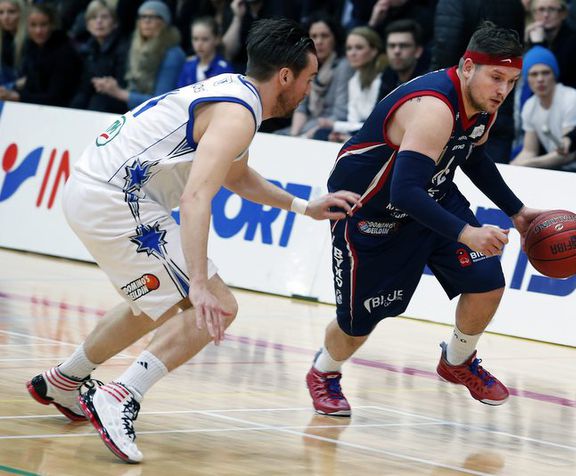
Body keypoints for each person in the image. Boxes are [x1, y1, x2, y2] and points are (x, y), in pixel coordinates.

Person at [25, 18, 360, 463]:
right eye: (308, 78)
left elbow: (236, 176)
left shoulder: (235, 94)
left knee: (153, 303)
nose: (308, 89)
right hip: (116, 198)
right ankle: (120, 395)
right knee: (215, 305)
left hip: (93, 189)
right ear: (285, 75)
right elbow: (196, 197)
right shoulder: (239, 114)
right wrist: (199, 284)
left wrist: (303, 206)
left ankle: (66, 380)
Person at [305, 21, 543, 417]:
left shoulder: (483, 104)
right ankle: (324, 372)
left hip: (432, 195)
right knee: (358, 324)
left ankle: (458, 360)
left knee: (487, 282)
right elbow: (403, 192)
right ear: (468, 67)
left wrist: (516, 210)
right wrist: (465, 232)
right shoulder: (434, 107)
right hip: (371, 212)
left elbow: (472, 156)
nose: (503, 90)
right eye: (496, 78)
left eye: (511, 81)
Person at [430, 0, 526, 164]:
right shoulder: (514, 3)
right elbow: (516, 51)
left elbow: (445, 49)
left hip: (460, 96)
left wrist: (436, 89)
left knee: (448, 166)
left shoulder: (453, 3)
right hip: (496, 102)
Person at [512, 46, 576, 173]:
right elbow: (529, 151)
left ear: (554, 75)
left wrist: (526, 164)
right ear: (527, 78)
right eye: (534, 74)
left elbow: (569, 155)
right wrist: (511, 167)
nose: (540, 79)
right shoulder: (529, 106)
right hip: (559, 168)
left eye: (545, 73)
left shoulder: (571, 99)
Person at [92, 1, 185, 110]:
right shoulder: (134, 47)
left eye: (153, 17)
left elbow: (161, 100)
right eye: (143, 17)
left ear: (164, 22)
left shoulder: (173, 54)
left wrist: (119, 93)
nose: (146, 21)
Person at [0, 3, 80, 106]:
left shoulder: (64, 53)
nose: (38, 31)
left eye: (43, 25)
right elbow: (31, 87)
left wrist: (17, 96)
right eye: (33, 25)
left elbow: (56, 98)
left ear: (52, 25)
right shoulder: (31, 47)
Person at [319, 26, 386, 142]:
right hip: (358, 132)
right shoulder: (353, 81)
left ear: (374, 51)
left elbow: (375, 124)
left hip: (377, 137)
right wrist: (343, 135)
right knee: (322, 134)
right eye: (349, 48)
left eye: (359, 48)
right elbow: (353, 121)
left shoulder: (382, 78)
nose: (352, 53)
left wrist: (335, 125)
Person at [70, 0, 130, 113]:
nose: (99, 21)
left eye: (104, 17)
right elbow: (85, 87)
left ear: (115, 23)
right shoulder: (88, 48)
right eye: (93, 17)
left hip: (119, 104)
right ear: (87, 25)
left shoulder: (124, 48)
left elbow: (122, 85)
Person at [176, 16, 234, 88]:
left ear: (217, 39)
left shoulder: (224, 69)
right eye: (195, 39)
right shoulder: (188, 66)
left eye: (205, 39)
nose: (199, 44)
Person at [376, 19, 427, 101]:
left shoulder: (428, 82)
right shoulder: (387, 77)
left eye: (404, 46)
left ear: (418, 51)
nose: (396, 51)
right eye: (392, 46)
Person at [0, 0, 24, 88]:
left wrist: (11, 86)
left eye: (11, 12)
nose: (5, 17)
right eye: (1, 12)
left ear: (22, 14)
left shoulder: (32, 41)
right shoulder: (4, 38)